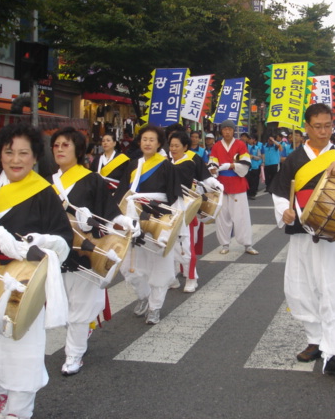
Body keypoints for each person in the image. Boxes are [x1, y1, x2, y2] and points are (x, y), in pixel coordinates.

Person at [0, 122, 73, 419]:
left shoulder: (44, 193)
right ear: (0, 155)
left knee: (21, 354)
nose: (16, 160)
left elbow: (64, 241)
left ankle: (18, 411)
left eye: (24, 153)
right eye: (9, 152)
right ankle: (1, 394)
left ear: (35, 157)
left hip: (21, 285)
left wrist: (42, 242)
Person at [269, 103, 335, 374]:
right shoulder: (295, 157)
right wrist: (283, 211)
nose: (323, 132)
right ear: (307, 127)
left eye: (327, 126)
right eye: (317, 126)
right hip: (302, 232)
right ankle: (315, 339)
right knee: (300, 289)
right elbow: (278, 193)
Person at [50, 127, 135, 376]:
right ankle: (79, 336)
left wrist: (122, 223)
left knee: (79, 306)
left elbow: (107, 213)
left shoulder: (91, 179)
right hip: (55, 254)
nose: (60, 149)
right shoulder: (45, 182)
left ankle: (73, 355)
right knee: (63, 307)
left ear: (78, 150)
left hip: (84, 252)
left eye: (66, 145)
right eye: (56, 145)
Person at [114, 125, 182, 325]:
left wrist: (173, 224)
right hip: (132, 217)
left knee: (159, 265)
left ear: (159, 143)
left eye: (152, 139)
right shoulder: (133, 164)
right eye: (144, 139)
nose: (147, 143)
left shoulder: (167, 165)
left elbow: (174, 197)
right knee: (129, 266)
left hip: (158, 218)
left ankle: (155, 307)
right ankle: (143, 296)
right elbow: (122, 193)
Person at [168, 131, 220, 293]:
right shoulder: (165, 162)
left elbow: (205, 178)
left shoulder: (191, 160)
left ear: (185, 146)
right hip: (169, 208)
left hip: (186, 207)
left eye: (177, 145)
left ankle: (191, 277)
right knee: (168, 244)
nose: (173, 149)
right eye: (171, 145)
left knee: (186, 244)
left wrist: (216, 188)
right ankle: (171, 276)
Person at [209, 120, 258, 255]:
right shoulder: (217, 146)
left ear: (233, 131)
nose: (227, 131)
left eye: (229, 129)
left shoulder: (240, 144)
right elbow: (212, 161)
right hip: (222, 183)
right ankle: (225, 243)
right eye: (224, 129)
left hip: (237, 182)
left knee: (242, 215)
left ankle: (247, 244)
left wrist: (231, 166)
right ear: (221, 131)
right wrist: (213, 169)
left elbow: (245, 163)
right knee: (222, 216)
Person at [246, 133, 263, 199]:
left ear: (253, 140)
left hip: (254, 166)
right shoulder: (245, 147)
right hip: (247, 167)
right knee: (247, 180)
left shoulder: (257, 148)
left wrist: (253, 157)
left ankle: (252, 194)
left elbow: (259, 157)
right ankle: (247, 193)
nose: (249, 140)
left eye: (251, 139)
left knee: (254, 181)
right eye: (249, 139)